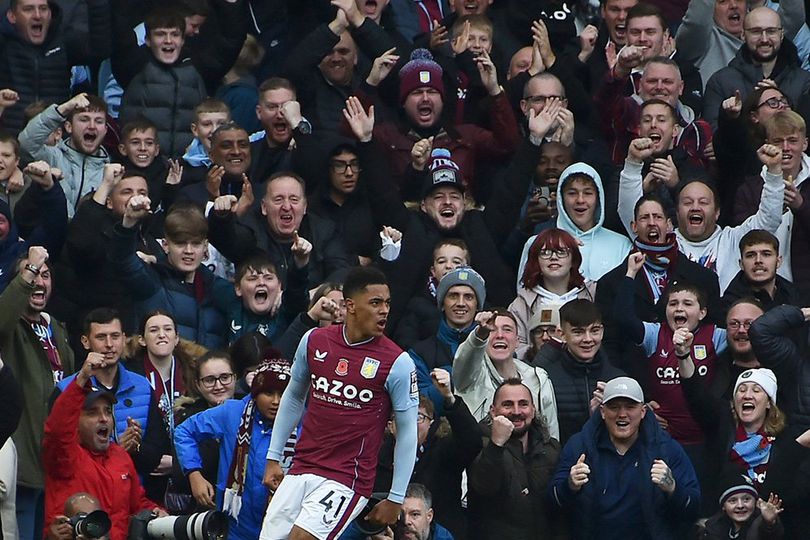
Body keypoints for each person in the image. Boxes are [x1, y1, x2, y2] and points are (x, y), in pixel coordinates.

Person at [259, 266, 419, 540]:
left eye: (387, 303)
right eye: (375, 303)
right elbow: (294, 396)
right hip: (302, 466)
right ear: (351, 306)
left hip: (347, 477)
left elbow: (407, 432)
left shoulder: (397, 363)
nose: (384, 311)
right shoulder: (314, 341)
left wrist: (396, 496)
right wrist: (274, 457)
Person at [618, 138, 785, 293]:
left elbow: (769, 219)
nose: (695, 207)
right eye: (688, 202)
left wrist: (774, 173)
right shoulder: (661, 241)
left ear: (717, 212)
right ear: (676, 211)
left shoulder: (734, 240)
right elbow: (631, 212)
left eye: (703, 202)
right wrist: (633, 164)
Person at [550, 376, 700, 539]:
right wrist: (569, 486)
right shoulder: (579, 446)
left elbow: (692, 509)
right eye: (614, 407)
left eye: (630, 407)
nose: (622, 414)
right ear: (602, 411)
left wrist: (673, 488)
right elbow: (552, 503)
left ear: (643, 411)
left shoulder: (666, 449)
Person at [43, 354, 165, 540]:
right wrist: (82, 378)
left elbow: (137, 504)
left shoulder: (120, 457)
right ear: (75, 421)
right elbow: (57, 429)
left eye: (108, 411)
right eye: (92, 413)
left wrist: (157, 512)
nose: (103, 418)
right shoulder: (65, 455)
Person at [679, 362, 810, 535]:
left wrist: (796, 448)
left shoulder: (788, 438)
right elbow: (696, 396)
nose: (747, 395)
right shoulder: (721, 426)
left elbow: (792, 493)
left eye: (756, 390)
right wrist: (683, 355)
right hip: (723, 530)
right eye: (741, 390)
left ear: (769, 403)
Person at [175, 355, 298, 540]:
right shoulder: (233, 412)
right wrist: (194, 474)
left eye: (283, 394)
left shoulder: (304, 422)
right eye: (269, 393)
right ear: (256, 393)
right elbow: (184, 432)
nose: (276, 401)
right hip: (234, 526)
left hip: (284, 526)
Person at [0, 246, 74, 540]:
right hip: (21, 465)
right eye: (31, 274)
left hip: (54, 464)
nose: (39, 282)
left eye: (45, 275)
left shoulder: (55, 326)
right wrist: (29, 268)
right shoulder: (10, 326)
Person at [111, 199, 231, 348]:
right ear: (166, 245)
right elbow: (122, 259)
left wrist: (225, 221)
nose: (188, 251)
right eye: (180, 243)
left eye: (195, 244)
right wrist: (128, 223)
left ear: (205, 247)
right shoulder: (151, 281)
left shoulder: (216, 288)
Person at [208, 171, 353, 290]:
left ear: (305, 207)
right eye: (278, 199)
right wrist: (221, 216)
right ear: (264, 207)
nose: (286, 206)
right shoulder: (252, 227)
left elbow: (341, 271)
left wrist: (318, 294)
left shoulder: (324, 231)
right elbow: (225, 240)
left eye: (294, 199)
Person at [467, 378, 560, 540]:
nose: (516, 412)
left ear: (533, 409)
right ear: (493, 411)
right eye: (507, 404)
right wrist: (496, 445)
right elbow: (483, 488)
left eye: (523, 404)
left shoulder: (551, 448)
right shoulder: (479, 444)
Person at [0, 0, 110, 133]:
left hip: (55, 139)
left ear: (51, 14)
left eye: (43, 9)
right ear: (12, 16)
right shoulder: (4, 44)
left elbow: (100, 49)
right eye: (28, 9)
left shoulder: (63, 42)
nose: (37, 15)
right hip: (10, 141)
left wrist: (97, 4)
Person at [734, 112, 810, 297]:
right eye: (778, 141)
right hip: (762, 291)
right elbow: (745, 239)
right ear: (767, 143)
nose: (785, 148)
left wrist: (801, 207)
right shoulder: (750, 189)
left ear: (805, 143)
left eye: (792, 140)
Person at [452, 309, 559, 440]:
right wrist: (481, 334)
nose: (500, 335)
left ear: (517, 341)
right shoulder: (469, 376)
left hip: (530, 458)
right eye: (492, 330)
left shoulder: (538, 379)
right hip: (482, 457)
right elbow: (464, 359)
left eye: (507, 329)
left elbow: (551, 434)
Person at [517, 162, 632, 283]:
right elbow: (525, 292)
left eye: (588, 193)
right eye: (572, 193)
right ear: (561, 199)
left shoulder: (622, 245)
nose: (580, 200)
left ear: (598, 199)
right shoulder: (537, 243)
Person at [533, 299, 625, 445]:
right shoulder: (547, 379)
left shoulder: (619, 379)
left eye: (594, 331)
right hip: (563, 462)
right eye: (578, 332)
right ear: (561, 334)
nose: (588, 339)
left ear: (602, 331)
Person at [702, 7, 810, 129]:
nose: (764, 39)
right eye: (756, 31)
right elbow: (713, 138)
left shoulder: (804, 81)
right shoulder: (720, 81)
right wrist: (732, 117)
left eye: (771, 31)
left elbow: (805, 135)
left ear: (781, 35)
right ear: (743, 35)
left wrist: (781, 100)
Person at [18, 93, 110, 218]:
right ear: (69, 127)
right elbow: (26, 142)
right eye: (84, 119)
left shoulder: (110, 173)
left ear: (105, 130)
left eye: (98, 121)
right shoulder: (52, 156)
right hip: (49, 235)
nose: (92, 126)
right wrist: (64, 109)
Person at [509, 228, 596, 360]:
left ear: (573, 259)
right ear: (536, 261)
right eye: (545, 253)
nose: (553, 257)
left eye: (561, 252)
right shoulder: (521, 304)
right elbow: (515, 348)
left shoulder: (593, 293)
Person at [409, 267, 482, 416]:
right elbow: (418, 404)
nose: (461, 303)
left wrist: (454, 376)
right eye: (453, 296)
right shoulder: (419, 353)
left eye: (468, 297)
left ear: (477, 306)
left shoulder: (493, 348)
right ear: (442, 303)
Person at [720, 230, 800, 318]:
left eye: (766, 254)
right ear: (741, 264)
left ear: (778, 261)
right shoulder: (730, 303)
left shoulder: (793, 293)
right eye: (751, 255)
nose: (758, 260)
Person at [699, 474, 784, 540]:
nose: (740, 505)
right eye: (733, 501)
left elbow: (771, 534)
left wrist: (769, 523)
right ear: (723, 506)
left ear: (756, 502)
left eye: (746, 499)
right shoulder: (714, 527)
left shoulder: (761, 522)